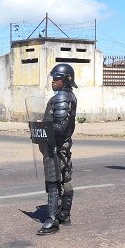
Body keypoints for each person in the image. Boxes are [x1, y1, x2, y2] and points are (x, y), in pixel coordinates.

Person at [37, 63, 77, 235]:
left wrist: (42, 129)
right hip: (63, 144)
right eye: (53, 78)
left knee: (53, 181)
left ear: (66, 80)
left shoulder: (61, 97)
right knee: (66, 178)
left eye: (57, 78)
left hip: (55, 145)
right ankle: (65, 214)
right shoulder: (69, 96)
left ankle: (52, 219)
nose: (53, 81)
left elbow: (59, 127)